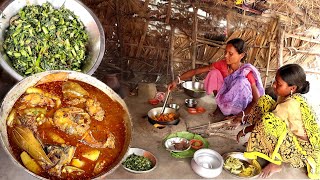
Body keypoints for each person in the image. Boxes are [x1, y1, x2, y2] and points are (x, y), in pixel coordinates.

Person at [236, 64, 320, 179]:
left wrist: (246, 130)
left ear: (293, 88)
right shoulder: (288, 95)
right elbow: (273, 112)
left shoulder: (290, 104)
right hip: (293, 135)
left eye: (279, 84)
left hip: (301, 151)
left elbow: (265, 122)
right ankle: (259, 143)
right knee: (264, 101)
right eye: (275, 81)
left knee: (268, 122)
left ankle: (276, 163)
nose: (274, 85)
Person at [168, 38, 264, 117]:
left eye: (230, 54)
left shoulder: (246, 72)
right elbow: (197, 71)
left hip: (241, 105)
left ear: (241, 55)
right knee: (214, 73)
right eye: (225, 52)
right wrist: (177, 81)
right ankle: (220, 107)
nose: (226, 56)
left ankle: (235, 114)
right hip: (226, 98)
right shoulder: (222, 65)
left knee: (241, 82)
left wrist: (241, 116)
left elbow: (257, 100)